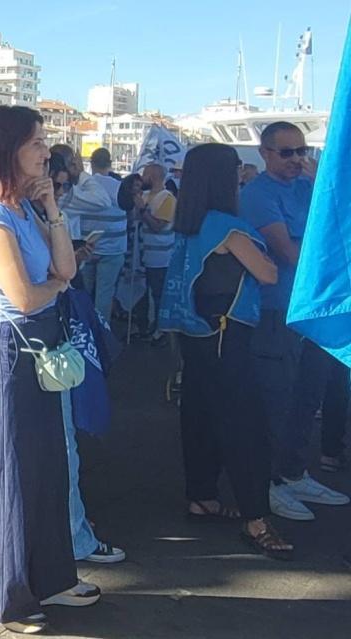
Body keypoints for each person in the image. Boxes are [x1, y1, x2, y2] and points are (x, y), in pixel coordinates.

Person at [0, 106, 98, 634]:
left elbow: (66, 267)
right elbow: (22, 296)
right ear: (7, 148)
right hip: (5, 345)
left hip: (33, 343)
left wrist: (53, 208)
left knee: (46, 464)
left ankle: (51, 577)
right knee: (9, 468)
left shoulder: (21, 208)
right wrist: (59, 288)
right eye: (37, 142)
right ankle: (1, 592)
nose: (46, 150)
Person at [159, 142, 292, 559]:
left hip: (194, 332)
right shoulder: (227, 227)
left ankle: (202, 496)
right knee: (244, 426)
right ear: (223, 176)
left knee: (198, 413)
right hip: (226, 334)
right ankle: (256, 519)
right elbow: (268, 273)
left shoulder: (188, 220)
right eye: (236, 167)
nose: (242, 173)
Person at [241, 121, 349, 521]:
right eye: (286, 152)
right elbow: (289, 252)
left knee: (309, 396)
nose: (296, 159)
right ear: (265, 153)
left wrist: (321, 174)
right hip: (276, 310)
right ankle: (269, 483)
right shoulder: (257, 194)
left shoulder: (308, 187)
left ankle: (293, 471)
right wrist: (328, 244)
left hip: (315, 311)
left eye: (301, 151)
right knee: (278, 399)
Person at [76, 148, 126, 322]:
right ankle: (103, 333)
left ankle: (85, 330)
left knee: (84, 293)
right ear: (110, 163)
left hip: (87, 246)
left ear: (92, 163)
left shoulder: (84, 185)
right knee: (105, 294)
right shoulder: (120, 186)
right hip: (113, 249)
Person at [130, 168, 173, 341]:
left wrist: (142, 210)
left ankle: (160, 329)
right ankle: (143, 326)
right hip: (142, 256)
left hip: (159, 258)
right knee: (141, 292)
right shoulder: (145, 196)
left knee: (157, 294)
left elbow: (157, 226)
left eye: (145, 174)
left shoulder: (168, 199)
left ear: (153, 176)